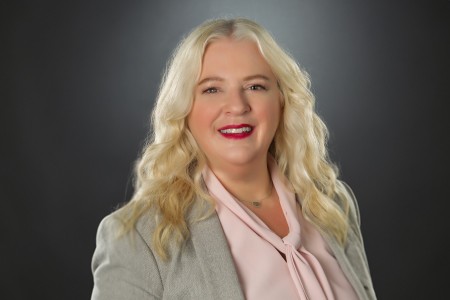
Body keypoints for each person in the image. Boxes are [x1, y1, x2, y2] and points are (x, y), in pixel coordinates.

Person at [91, 18, 376, 300]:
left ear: (282, 100)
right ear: (184, 108)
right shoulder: (137, 238)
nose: (237, 106)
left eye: (255, 86)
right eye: (212, 89)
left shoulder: (332, 204)